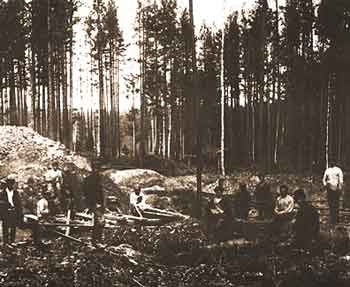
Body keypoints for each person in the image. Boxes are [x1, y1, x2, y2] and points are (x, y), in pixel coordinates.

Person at [83, 161, 105, 244]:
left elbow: (100, 192)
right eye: (96, 169)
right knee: (98, 222)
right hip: (94, 203)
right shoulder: (92, 179)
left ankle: (95, 239)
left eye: (98, 169)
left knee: (97, 222)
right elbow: (86, 192)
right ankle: (96, 239)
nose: (97, 171)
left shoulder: (93, 179)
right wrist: (92, 204)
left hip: (95, 203)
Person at [0, 175, 23, 246]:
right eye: (9, 183)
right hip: (6, 211)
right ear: (7, 184)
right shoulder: (2, 193)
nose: (11, 185)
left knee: (13, 226)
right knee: (5, 227)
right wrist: (6, 204)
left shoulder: (16, 193)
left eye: (12, 183)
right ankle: (5, 242)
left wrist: (20, 213)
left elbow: (19, 204)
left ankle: (12, 241)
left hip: (13, 211)